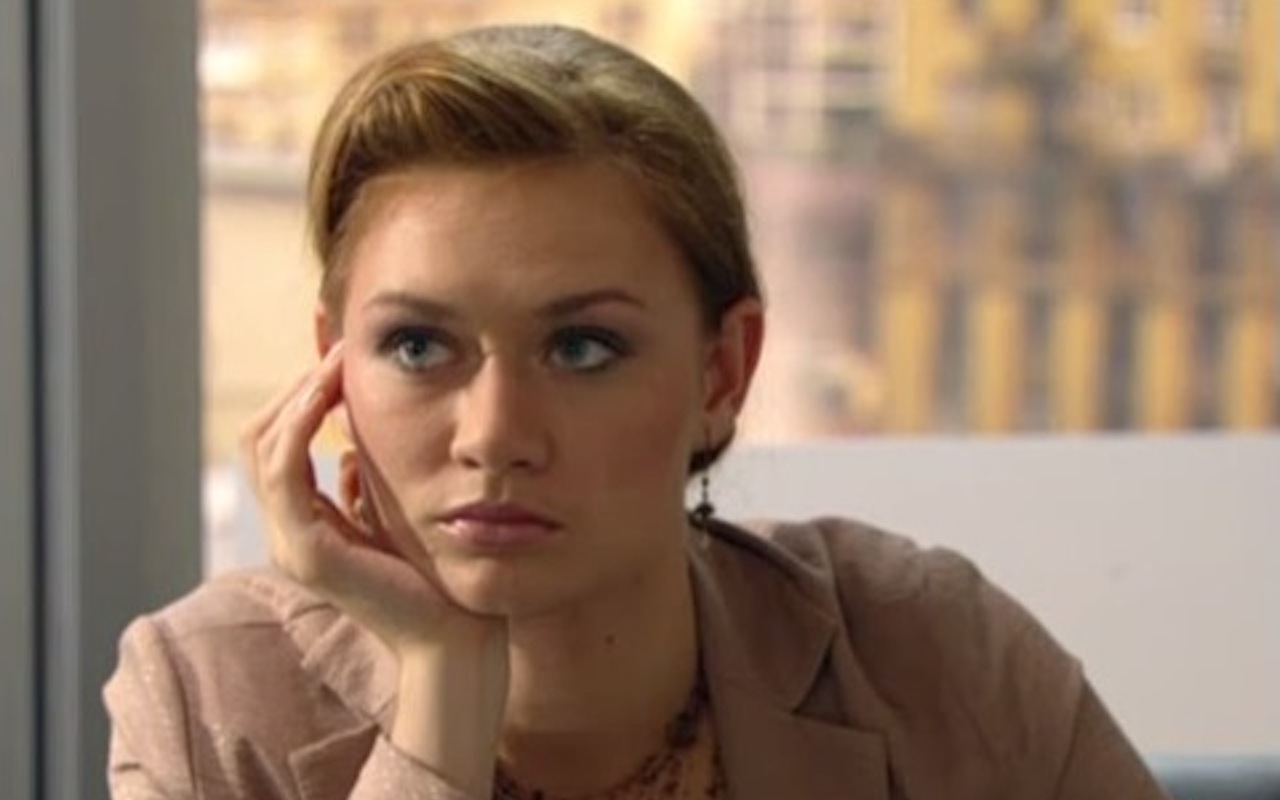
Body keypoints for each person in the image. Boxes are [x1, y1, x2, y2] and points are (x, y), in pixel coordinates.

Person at [104, 23, 1170, 800]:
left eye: (582, 347)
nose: (493, 434)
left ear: (721, 374)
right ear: (331, 369)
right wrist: (442, 686)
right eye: (418, 346)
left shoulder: (927, 652)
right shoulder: (208, 701)